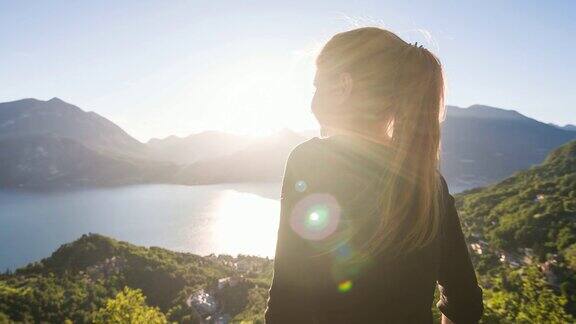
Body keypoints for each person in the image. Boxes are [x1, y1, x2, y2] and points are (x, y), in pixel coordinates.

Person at [264, 27, 483, 323]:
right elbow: (465, 302)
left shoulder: (314, 161)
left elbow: (287, 307)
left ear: (343, 86)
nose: (312, 102)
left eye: (316, 87)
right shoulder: (431, 184)